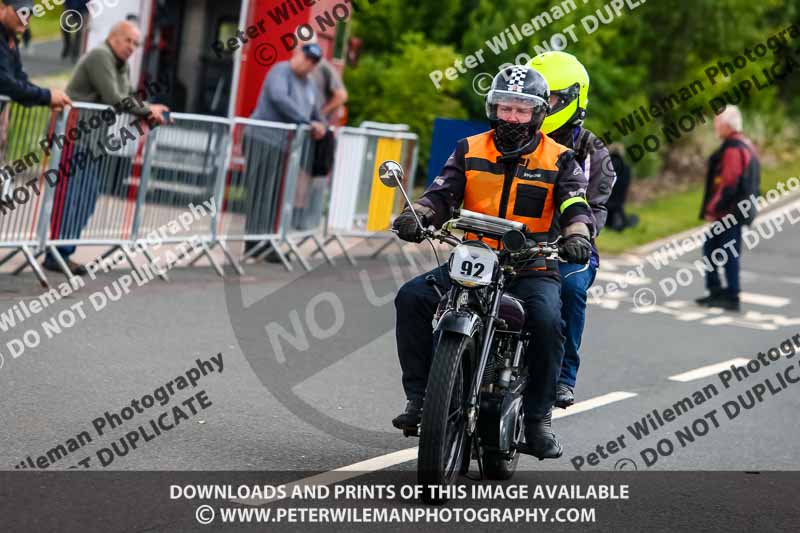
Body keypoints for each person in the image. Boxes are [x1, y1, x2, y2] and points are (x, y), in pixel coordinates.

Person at [391, 66, 594, 459]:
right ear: (493, 108)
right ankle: (420, 400)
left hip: (531, 264)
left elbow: (574, 205)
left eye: (521, 109)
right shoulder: (469, 148)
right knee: (411, 297)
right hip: (474, 257)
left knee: (549, 321)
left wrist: (577, 237)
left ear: (537, 114)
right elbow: (442, 193)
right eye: (505, 107)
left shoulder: (560, 158)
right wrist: (415, 215)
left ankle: (537, 421)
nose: (512, 117)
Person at [44, 20, 170, 275]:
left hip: (94, 143)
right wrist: (148, 110)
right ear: (114, 37)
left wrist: (151, 110)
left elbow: (129, 96)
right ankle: (55, 253)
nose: (132, 47)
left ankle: (64, 251)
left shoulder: (121, 64)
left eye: (136, 43)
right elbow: (115, 98)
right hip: (75, 139)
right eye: (128, 41)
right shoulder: (101, 56)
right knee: (70, 198)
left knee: (87, 199)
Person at [528, 51, 616, 409]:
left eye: (550, 98)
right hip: (516, 240)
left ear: (571, 99)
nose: (543, 105)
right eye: (538, 97)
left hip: (566, 249)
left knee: (571, 286)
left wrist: (577, 236)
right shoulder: (517, 135)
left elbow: (595, 207)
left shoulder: (592, 149)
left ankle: (564, 376)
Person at [245, 43, 327, 258]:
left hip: (283, 144)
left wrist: (322, 126)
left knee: (272, 196)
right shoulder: (280, 71)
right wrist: (307, 122)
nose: (309, 64)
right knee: (259, 193)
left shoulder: (308, 84)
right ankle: (253, 243)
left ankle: (266, 243)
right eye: (307, 58)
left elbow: (316, 112)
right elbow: (279, 98)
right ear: (297, 54)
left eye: (314, 62)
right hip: (262, 139)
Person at [696, 105, 759, 312]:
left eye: (717, 122)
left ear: (726, 125)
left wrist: (713, 208)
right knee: (716, 248)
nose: (715, 126)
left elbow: (729, 182)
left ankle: (730, 295)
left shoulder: (733, 148)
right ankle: (720, 292)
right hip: (736, 210)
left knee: (723, 251)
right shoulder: (744, 144)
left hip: (729, 212)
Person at [0, 0, 72, 109]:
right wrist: (47, 96)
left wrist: (50, 96)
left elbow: (19, 78)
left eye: (30, 13)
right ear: (1, 8)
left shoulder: (10, 39)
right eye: (20, 12)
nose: (25, 18)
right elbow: (4, 83)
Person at [606, 144, 639, 231]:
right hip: (618, 205)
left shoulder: (604, 167)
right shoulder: (627, 168)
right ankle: (618, 219)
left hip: (604, 204)